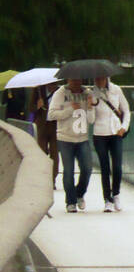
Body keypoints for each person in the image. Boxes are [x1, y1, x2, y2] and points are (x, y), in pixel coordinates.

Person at [47, 79, 97, 213]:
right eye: (73, 79)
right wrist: (70, 109)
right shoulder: (61, 93)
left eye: (78, 78)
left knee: (87, 169)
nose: (75, 82)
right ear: (68, 79)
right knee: (68, 171)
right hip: (65, 138)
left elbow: (91, 120)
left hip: (82, 138)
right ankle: (70, 201)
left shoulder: (88, 93)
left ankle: (79, 194)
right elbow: (51, 114)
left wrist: (90, 107)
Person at [92, 73, 131, 212]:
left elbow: (126, 110)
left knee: (117, 167)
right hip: (100, 133)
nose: (98, 80)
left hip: (116, 132)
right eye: (96, 78)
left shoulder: (116, 90)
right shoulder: (93, 93)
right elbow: (91, 119)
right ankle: (107, 199)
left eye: (101, 78)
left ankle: (116, 194)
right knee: (104, 167)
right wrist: (91, 106)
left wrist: (124, 127)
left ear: (106, 78)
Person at [34, 83, 59, 187]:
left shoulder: (60, 91)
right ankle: (42, 178)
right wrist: (37, 106)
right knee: (42, 153)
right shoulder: (38, 90)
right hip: (42, 127)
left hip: (55, 127)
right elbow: (30, 108)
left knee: (54, 154)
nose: (51, 86)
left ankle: (52, 179)